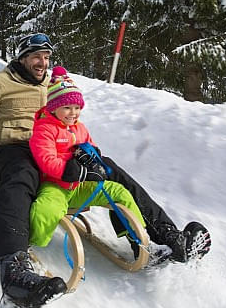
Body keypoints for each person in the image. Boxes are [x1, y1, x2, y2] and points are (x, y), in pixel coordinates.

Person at [0, 33, 211, 308]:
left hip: (60, 148)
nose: (42, 63)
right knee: (20, 176)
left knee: (110, 168)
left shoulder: (53, 84)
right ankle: (14, 274)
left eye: (46, 57)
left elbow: (71, 115)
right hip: (15, 147)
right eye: (35, 56)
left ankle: (167, 235)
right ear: (21, 58)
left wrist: (84, 153)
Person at [28, 66, 146, 249]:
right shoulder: (44, 129)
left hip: (79, 188)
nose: (73, 113)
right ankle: (31, 245)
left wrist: (93, 159)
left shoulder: (80, 128)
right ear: (53, 107)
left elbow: (92, 146)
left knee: (120, 192)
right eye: (66, 107)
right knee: (46, 210)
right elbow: (47, 161)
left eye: (76, 107)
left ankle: (137, 238)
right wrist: (75, 170)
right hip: (54, 186)